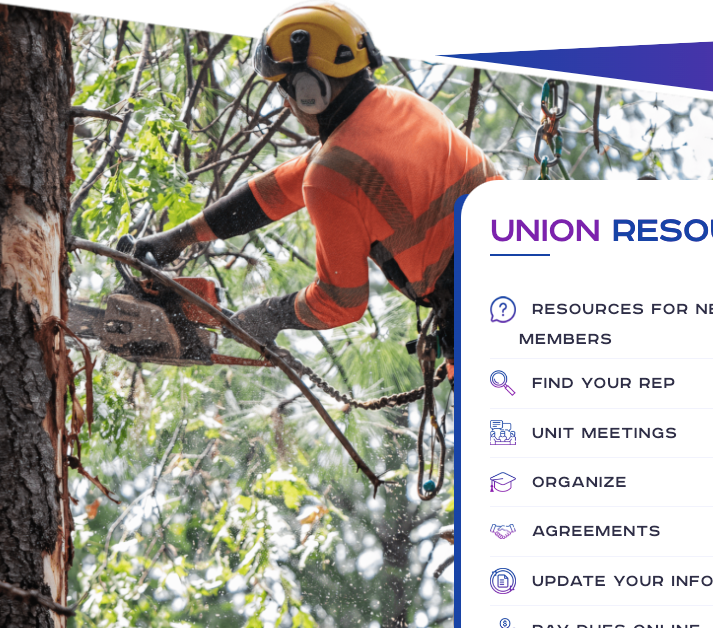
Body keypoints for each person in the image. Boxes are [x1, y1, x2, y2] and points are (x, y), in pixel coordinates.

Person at [133, 2, 500, 377]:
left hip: (482, 310)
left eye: (286, 90)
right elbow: (280, 187)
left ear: (310, 87)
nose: (287, 103)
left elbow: (342, 302)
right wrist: (179, 238)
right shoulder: (400, 105)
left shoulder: (334, 172)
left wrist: (270, 315)